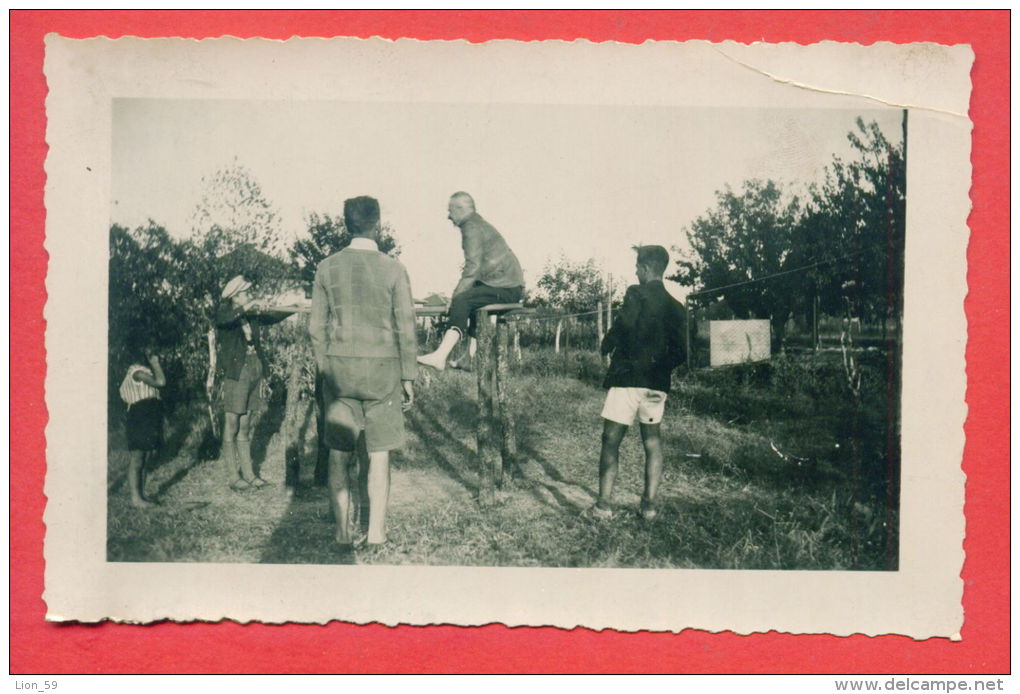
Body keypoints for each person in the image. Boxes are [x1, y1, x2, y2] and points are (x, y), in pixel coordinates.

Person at [309, 196, 417, 548]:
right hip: (383, 373)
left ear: (345, 224)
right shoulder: (394, 268)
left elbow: (316, 329)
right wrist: (408, 376)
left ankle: (341, 534)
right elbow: (406, 326)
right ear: (379, 224)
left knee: (339, 454)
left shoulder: (326, 267)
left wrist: (327, 371)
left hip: (339, 373)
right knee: (379, 454)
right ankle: (376, 533)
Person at [589, 245, 687, 521]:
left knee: (611, 439)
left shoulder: (636, 293)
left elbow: (625, 325)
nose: (635, 271)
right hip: (658, 383)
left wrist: (607, 344)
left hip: (629, 378)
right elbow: (683, 352)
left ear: (645, 268)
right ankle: (649, 507)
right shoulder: (678, 308)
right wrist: (660, 367)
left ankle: (603, 506)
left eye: (636, 266)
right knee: (653, 441)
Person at [417, 192, 525, 371]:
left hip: (506, 288)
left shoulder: (471, 227)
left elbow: (472, 268)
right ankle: (467, 358)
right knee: (472, 298)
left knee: (463, 299)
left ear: (460, 209)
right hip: (508, 286)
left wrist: (455, 297)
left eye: (450, 211)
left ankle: (440, 356)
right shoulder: (478, 224)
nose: (449, 216)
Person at [215, 275, 295, 491]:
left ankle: (249, 475)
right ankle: (234, 477)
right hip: (236, 372)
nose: (250, 295)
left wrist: (294, 307)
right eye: (246, 293)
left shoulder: (250, 315)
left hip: (253, 369)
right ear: (236, 296)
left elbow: (272, 316)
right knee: (232, 424)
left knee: (245, 425)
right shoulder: (225, 313)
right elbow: (224, 321)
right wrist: (249, 306)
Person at [119, 343, 167, 508]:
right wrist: (155, 363)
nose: (155, 355)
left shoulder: (144, 372)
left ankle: (142, 495)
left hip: (149, 415)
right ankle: (135, 498)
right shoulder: (137, 373)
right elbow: (161, 382)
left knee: (145, 458)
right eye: (151, 352)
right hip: (140, 416)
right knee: (138, 458)